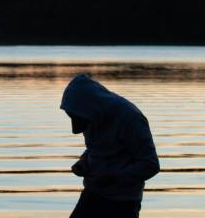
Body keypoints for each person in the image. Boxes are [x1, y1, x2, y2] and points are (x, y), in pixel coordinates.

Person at [60, 74, 160, 218]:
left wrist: (113, 178)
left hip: (123, 203)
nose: (75, 129)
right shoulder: (91, 115)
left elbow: (150, 164)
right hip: (92, 194)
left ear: (90, 107)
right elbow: (100, 148)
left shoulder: (131, 118)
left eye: (76, 118)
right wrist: (84, 162)